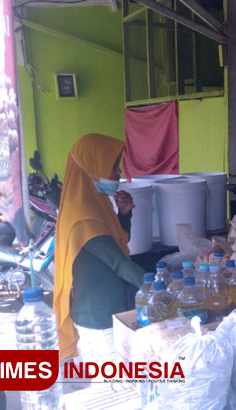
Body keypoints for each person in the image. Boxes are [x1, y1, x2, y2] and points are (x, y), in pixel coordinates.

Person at [53, 134, 146, 364]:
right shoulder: (83, 214)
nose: (119, 173)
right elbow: (119, 263)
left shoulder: (95, 203)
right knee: (113, 389)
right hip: (98, 320)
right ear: (93, 167)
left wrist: (124, 215)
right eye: (113, 166)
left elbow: (117, 242)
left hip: (109, 311)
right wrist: (158, 285)